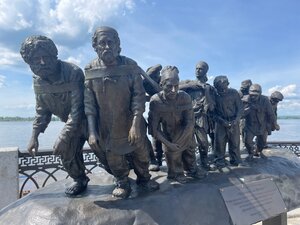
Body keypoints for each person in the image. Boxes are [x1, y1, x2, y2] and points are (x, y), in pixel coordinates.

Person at [84, 26, 159, 198]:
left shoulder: (130, 65)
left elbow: (139, 97)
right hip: (107, 125)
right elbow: (89, 104)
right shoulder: (90, 69)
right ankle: (123, 182)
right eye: (102, 43)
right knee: (114, 156)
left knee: (141, 153)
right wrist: (92, 131)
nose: (107, 47)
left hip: (132, 120)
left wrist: (135, 124)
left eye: (111, 42)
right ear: (95, 47)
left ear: (119, 46)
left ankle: (144, 179)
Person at [20, 35, 89, 196]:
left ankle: (121, 177)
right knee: (66, 154)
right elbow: (42, 111)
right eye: (36, 59)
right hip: (71, 125)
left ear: (54, 56)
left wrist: (63, 136)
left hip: (91, 120)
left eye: (46, 57)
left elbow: (77, 109)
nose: (42, 62)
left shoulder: (72, 72)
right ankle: (80, 179)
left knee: (106, 152)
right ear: (29, 62)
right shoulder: (38, 81)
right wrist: (34, 136)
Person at [148, 66, 206, 183]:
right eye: (169, 86)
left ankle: (191, 169)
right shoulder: (156, 101)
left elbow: (190, 122)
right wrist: (169, 144)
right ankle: (176, 173)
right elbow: (153, 129)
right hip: (168, 136)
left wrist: (181, 139)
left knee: (190, 149)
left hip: (185, 132)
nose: (174, 90)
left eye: (176, 86)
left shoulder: (185, 97)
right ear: (161, 86)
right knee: (173, 155)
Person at [179, 61, 215, 170]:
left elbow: (211, 107)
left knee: (203, 143)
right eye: (196, 68)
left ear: (205, 71)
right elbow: (175, 88)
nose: (198, 71)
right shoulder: (189, 83)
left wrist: (207, 91)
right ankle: (191, 165)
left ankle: (204, 162)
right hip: (187, 117)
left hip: (201, 118)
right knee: (188, 143)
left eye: (200, 69)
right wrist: (191, 85)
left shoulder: (209, 87)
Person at [213, 76, 243, 167]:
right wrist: (222, 121)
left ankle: (235, 160)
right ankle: (220, 160)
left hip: (233, 121)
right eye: (220, 89)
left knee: (235, 142)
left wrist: (236, 120)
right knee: (219, 142)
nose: (222, 91)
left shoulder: (234, 93)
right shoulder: (214, 95)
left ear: (228, 85)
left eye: (224, 88)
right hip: (220, 122)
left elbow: (240, 108)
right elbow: (212, 112)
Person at [243, 84, 277, 160]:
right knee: (247, 141)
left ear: (260, 94)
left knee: (262, 142)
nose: (253, 97)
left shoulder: (265, 100)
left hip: (262, 125)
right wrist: (248, 109)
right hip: (250, 125)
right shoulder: (245, 100)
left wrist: (275, 124)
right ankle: (251, 153)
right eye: (251, 95)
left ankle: (258, 152)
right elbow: (241, 114)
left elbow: (271, 113)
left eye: (255, 95)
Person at [143, 64, 164, 170]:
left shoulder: (162, 81)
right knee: (155, 136)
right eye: (153, 76)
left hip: (167, 114)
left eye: (157, 75)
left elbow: (160, 91)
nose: (156, 77)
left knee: (168, 136)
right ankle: (157, 160)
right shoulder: (146, 83)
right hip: (154, 113)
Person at [238, 79, 252, 147]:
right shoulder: (239, 93)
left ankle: (249, 143)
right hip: (242, 116)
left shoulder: (252, 94)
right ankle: (245, 143)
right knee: (243, 129)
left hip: (251, 116)